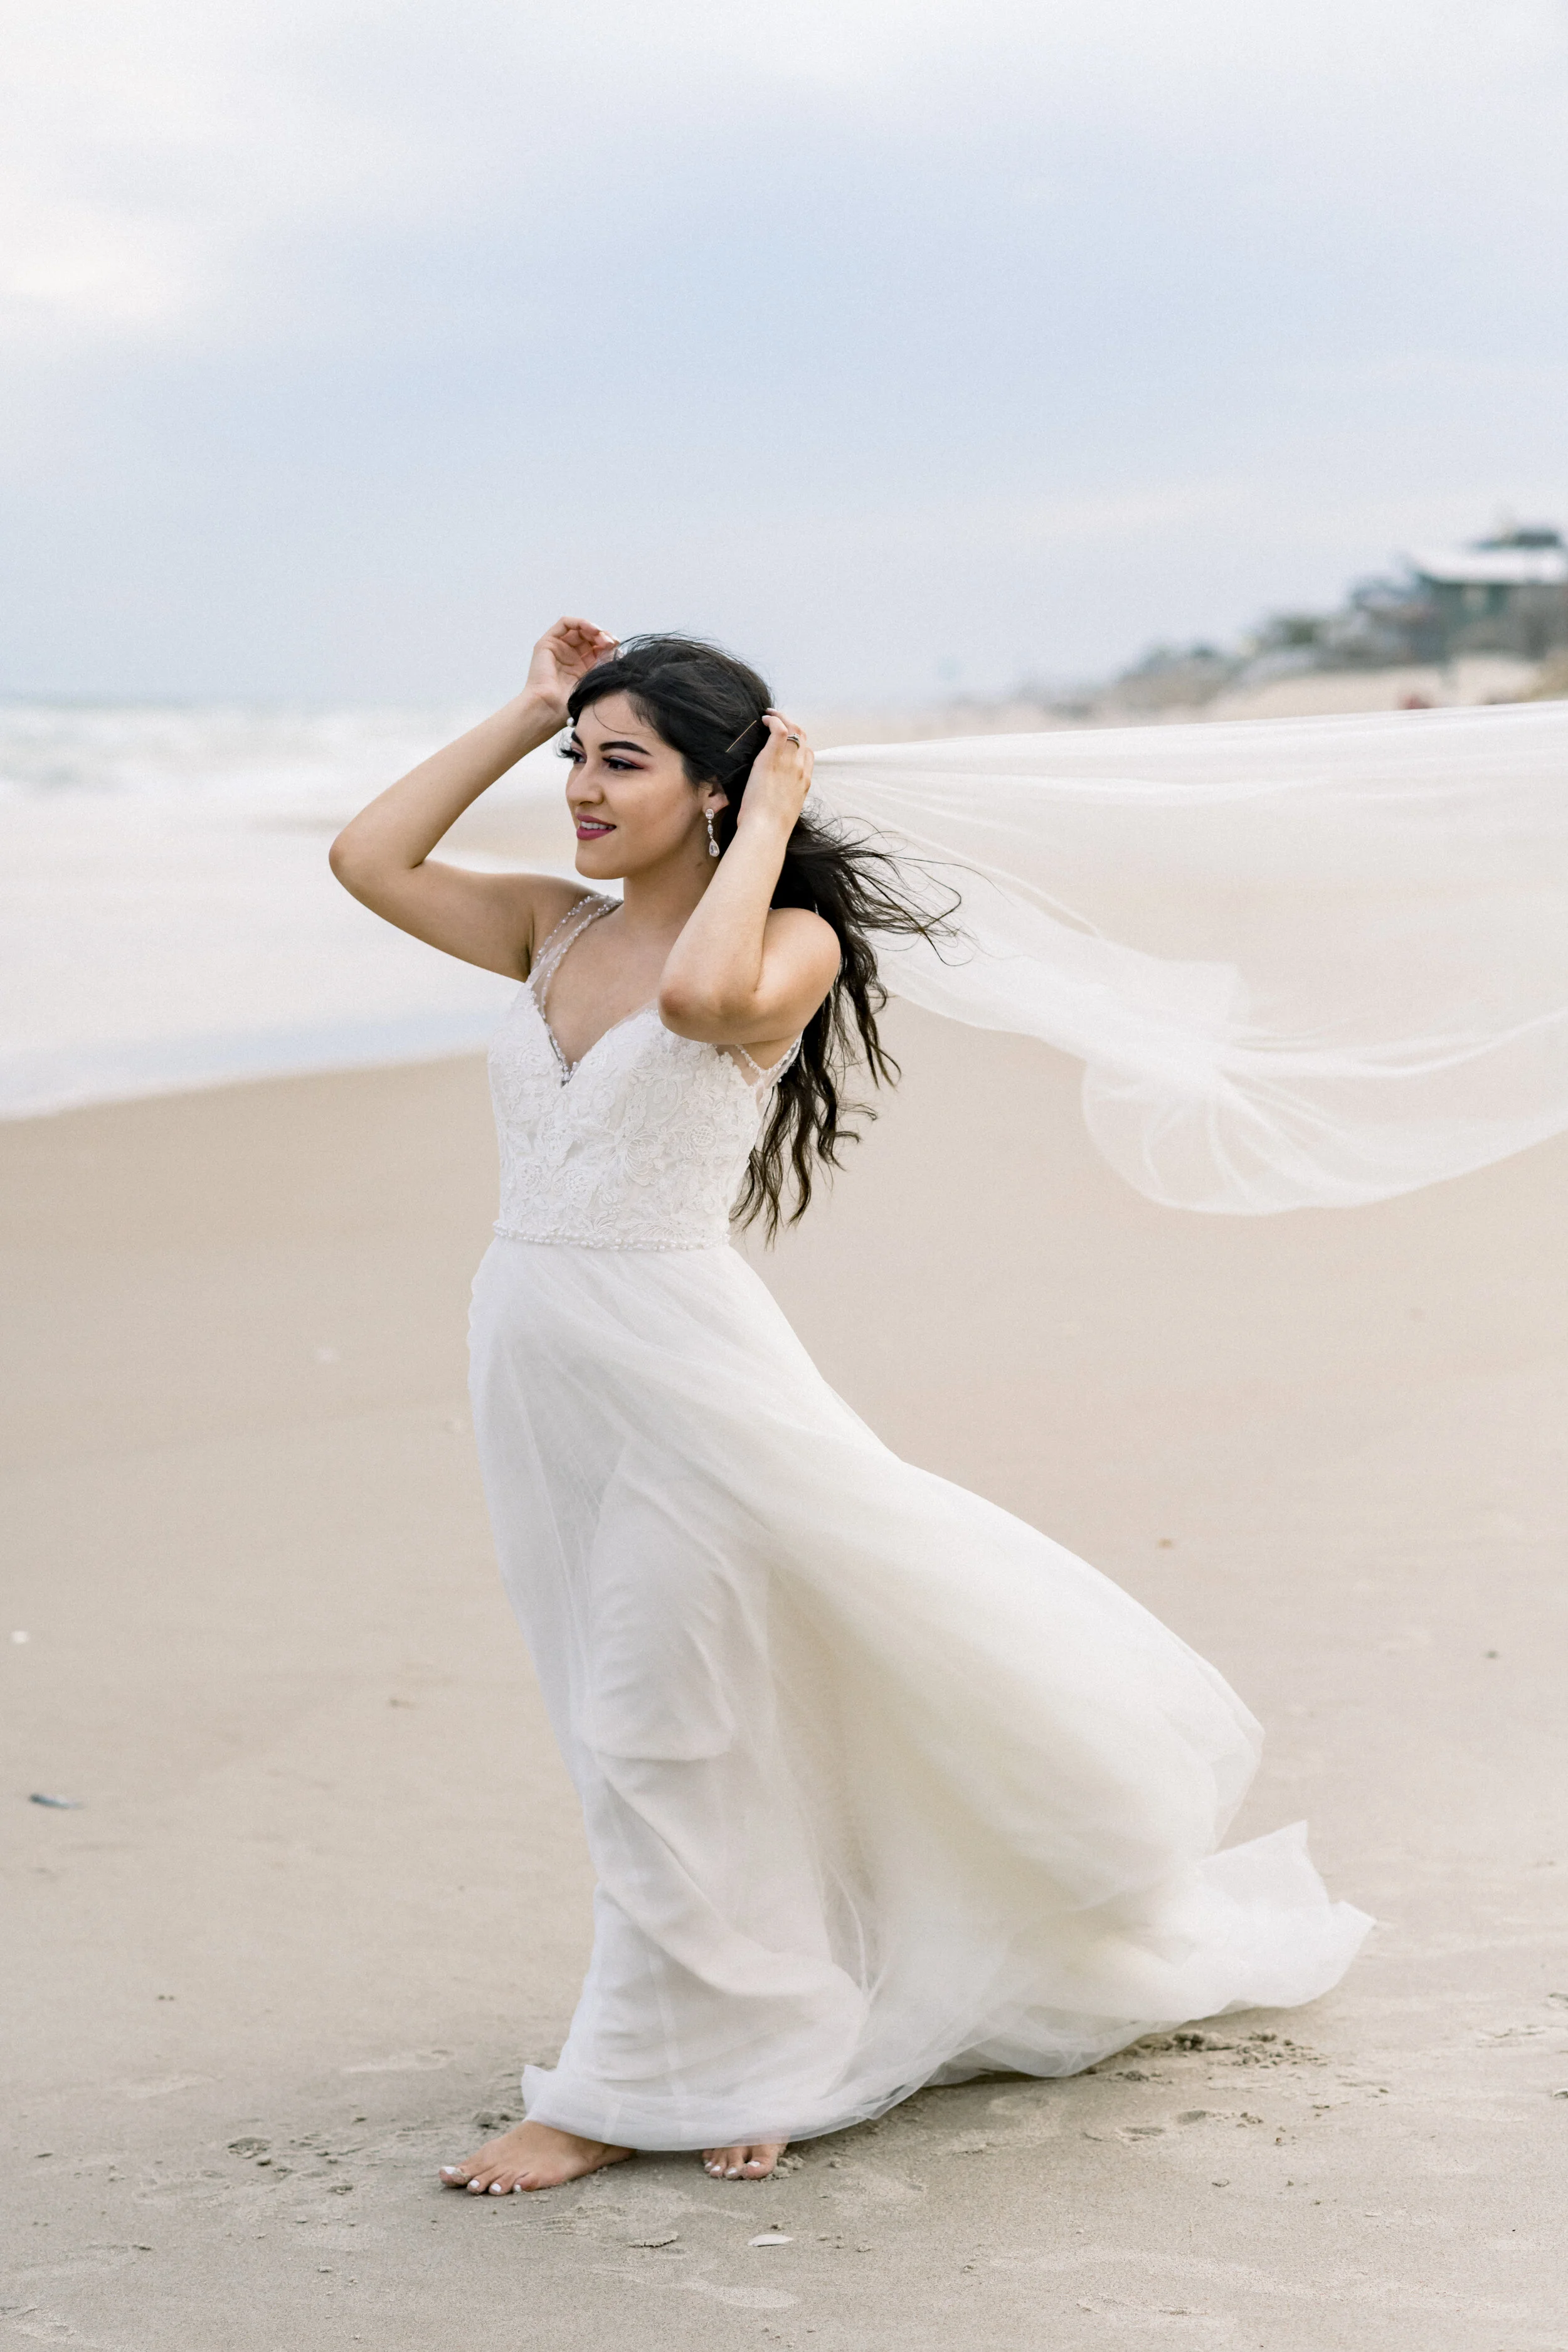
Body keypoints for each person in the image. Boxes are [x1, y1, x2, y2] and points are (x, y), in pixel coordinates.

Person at [328, 618, 1370, 2195]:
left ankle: (634, 2082)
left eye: (622, 763)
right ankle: (767, 2023)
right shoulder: (547, 926)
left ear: (715, 789)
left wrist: (762, 830)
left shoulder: (789, 945)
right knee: (648, 1709)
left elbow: (699, 1001)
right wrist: (525, 709)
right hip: (534, 1364)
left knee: (652, 1719)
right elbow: (368, 857)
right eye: (576, 761)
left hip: (681, 1366)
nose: (582, 791)